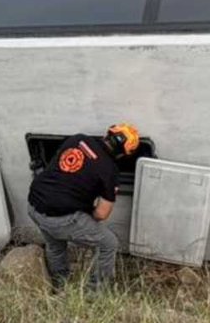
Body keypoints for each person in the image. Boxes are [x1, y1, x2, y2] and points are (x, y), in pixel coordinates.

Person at [26, 123, 140, 292]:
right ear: (123, 154)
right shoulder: (110, 171)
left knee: (55, 245)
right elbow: (102, 214)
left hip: (33, 205)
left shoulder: (77, 139)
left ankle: (60, 285)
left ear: (107, 134)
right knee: (108, 244)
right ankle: (94, 293)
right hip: (60, 219)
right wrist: (84, 217)